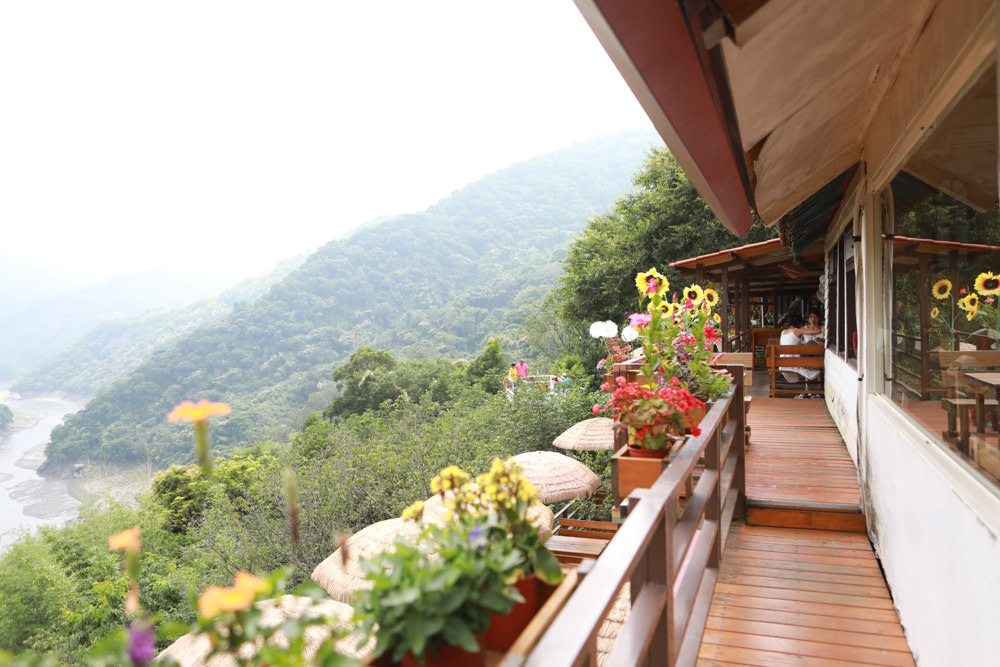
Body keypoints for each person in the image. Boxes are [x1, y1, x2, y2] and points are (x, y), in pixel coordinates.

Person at [779, 313, 823, 384]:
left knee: (807, 347)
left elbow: (781, 346)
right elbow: (819, 331)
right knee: (812, 342)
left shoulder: (783, 332)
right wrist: (813, 324)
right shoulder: (798, 330)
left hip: (782, 362)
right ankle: (823, 361)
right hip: (795, 361)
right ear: (799, 323)